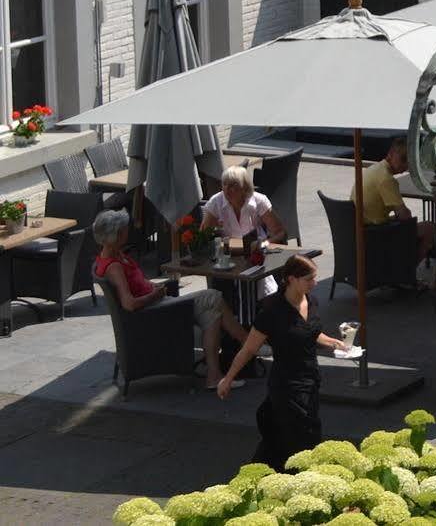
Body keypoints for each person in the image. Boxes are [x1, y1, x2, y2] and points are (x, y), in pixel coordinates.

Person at [92, 208, 248, 389]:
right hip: (154, 313)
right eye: (125, 229)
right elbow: (129, 304)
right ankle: (246, 342)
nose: (129, 232)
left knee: (211, 312)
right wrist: (155, 294)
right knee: (212, 296)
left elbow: (136, 288)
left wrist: (152, 288)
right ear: (117, 235)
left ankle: (214, 376)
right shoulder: (114, 268)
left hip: (158, 305)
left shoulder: (115, 255)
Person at [217, 255, 341, 468]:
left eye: (314, 278)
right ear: (292, 279)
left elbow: (312, 332)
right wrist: (228, 379)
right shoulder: (272, 311)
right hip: (287, 384)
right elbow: (248, 350)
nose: (314, 283)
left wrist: (335, 343)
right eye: (309, 279)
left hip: (311, 378)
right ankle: (302, 479)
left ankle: (264, 475)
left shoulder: (311, 301)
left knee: (280, 437)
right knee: (303, 437)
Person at [201, 165, 288, 297]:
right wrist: (216, 232)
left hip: (255, 255)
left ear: (245, 187)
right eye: (224, 184)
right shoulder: (216, 202)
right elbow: (203, 237)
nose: (227, 189)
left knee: (264, 293)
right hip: (226, 257)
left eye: (233, 185)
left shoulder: (259, 200)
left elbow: (280, 232)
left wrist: (263, 244)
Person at [361, 137, 436, 263]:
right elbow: (404, 216)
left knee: (404, 223)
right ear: (390, 154)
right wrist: (404, 214)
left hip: (364, 228)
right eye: (403, 159)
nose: (405, 164)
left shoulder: (374, 168)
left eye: (409, 161)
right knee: (429, 228)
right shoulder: (387, 179)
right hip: (374, 234)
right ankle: (409, 271)